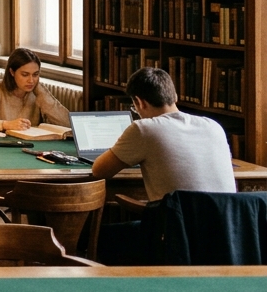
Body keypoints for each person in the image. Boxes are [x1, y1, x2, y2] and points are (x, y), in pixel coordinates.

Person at [92, 67, 235, 264]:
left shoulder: (144, 128)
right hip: (224, 236)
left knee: (95, 237)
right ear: (174, 96)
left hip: (174, 239)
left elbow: (99, 170)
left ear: (139, 102)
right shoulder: (213, 126)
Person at [0, 48, 72, 131]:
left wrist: (43, 95)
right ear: (12, 72)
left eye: (35, 74)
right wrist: (5, 124)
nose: (31, 80)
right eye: (25, 75)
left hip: (30, 145)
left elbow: (69, 124)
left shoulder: (39, 92)